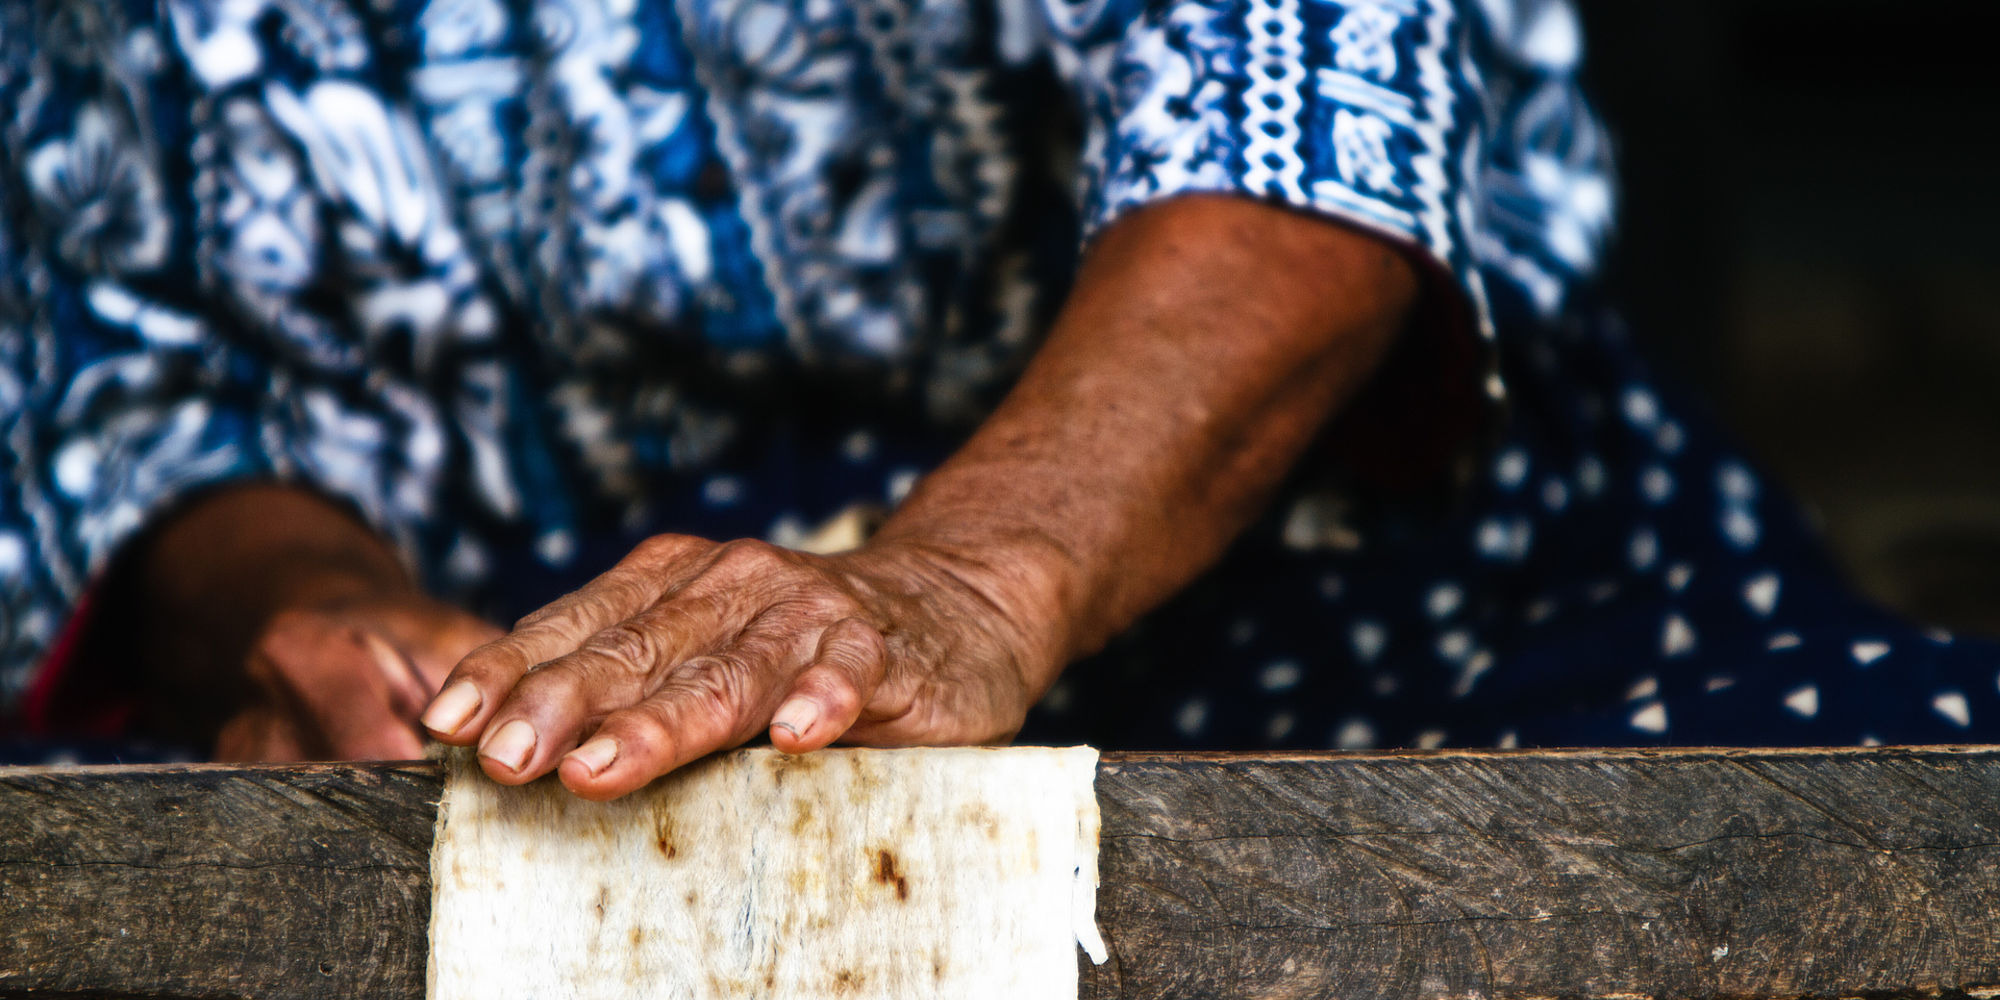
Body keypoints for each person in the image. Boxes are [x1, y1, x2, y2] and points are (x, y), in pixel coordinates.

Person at [2, 0, 1992, 784]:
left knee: (1851, 794)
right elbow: (114, 364)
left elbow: (1300, 131)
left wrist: (958, 581)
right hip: (555, 656)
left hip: (1270, 544)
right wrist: (292, 599)